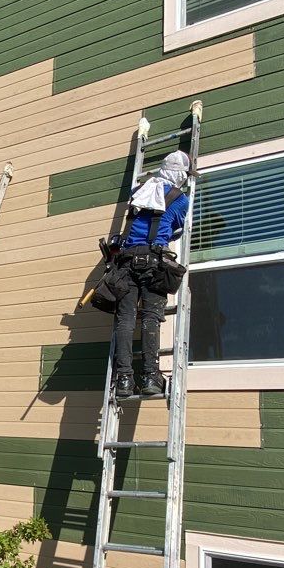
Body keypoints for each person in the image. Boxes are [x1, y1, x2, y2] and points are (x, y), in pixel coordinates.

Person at [112, 151, 191, 399]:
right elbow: (175, 228)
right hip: (153, 263)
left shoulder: (139, 192)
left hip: (125, 262)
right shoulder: (180, 199)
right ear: (180, 175)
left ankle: (124, 379)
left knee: (125, 320)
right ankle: (150, 377)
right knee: (150, 318)